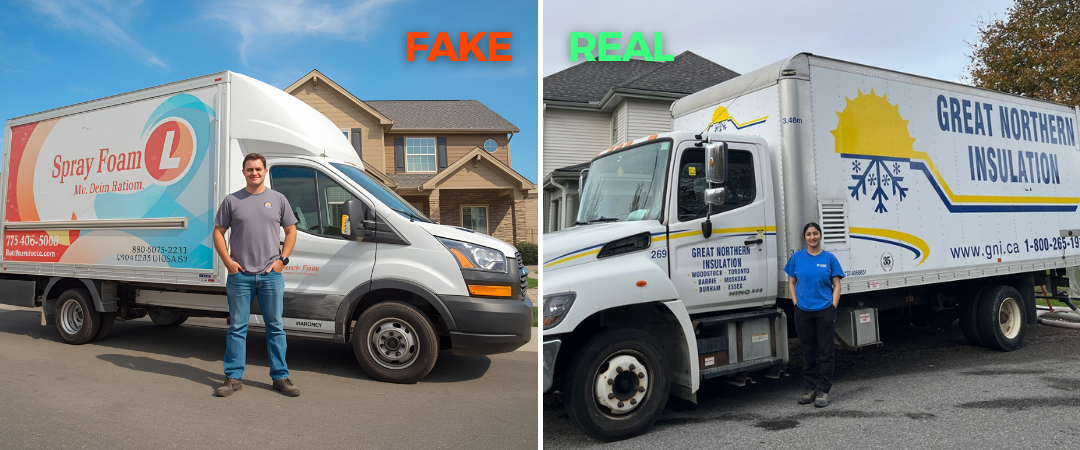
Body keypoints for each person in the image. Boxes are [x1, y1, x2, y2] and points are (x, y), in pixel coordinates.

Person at [211, 152, 300, 397]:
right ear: (244, 172)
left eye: (258, 169)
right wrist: (227, 261)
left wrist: (283, 260)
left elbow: (291, 231)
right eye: (250, 169)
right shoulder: (232, 200)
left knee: (275, 327)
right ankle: (233, 378)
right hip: (240, 276)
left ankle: (281, 377)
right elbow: (218, 232)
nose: (254, 173)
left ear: (265, 172)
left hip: (271, 275)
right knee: (237, 328)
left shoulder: (278, 199)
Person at [784, 222, 844, 407]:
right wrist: (796, 303)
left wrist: (832, 306)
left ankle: (823, 391)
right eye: (809, 234)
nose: (812, 237)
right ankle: (809, 389)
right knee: (808, 351)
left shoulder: (829, 258)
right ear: (805, 237)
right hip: (803, 311)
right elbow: (791, 282)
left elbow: (837, 285)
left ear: (820, 235)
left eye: (815, 233)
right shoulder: (797, 258)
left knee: (826, 352)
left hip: (824, 311)